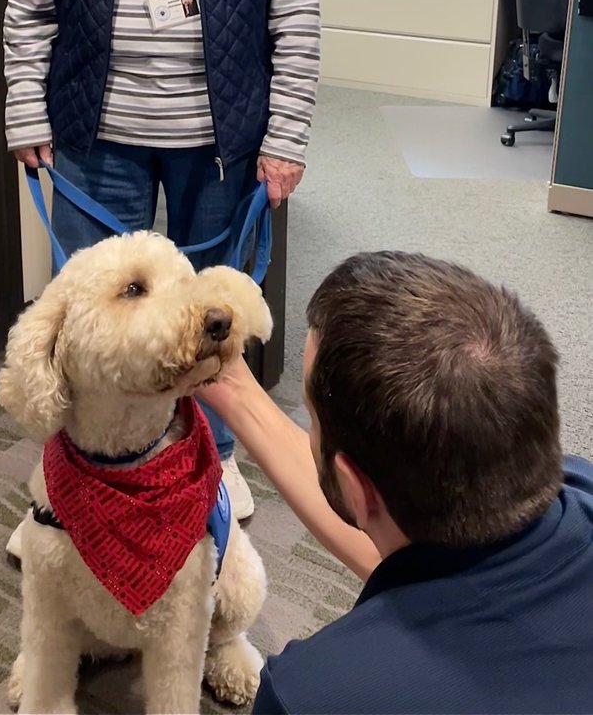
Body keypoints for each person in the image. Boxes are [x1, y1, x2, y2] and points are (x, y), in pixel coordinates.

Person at [3, 0, 321, 533]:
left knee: (211, 318)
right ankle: (79, 475)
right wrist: (25, 106)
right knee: (93, 322)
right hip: (91, 137)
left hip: (221, 143)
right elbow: (31, 1)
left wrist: (286, 132)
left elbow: (295, 7)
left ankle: (210, 465)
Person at [202, 252, 593, 715]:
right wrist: (235, 390)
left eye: (311, 416)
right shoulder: (576, 484)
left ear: (355, 486)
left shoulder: (315, 694)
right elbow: (408, 551)